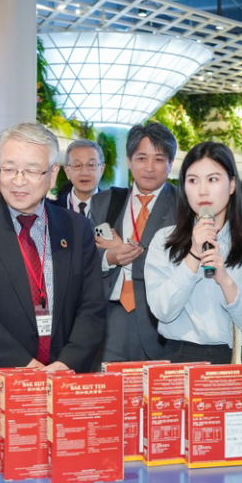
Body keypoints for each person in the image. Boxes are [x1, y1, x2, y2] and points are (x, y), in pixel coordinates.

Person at [0, 123, 106, 372]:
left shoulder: (77, 228)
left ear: (53, 174)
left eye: (31, 171)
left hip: (62, 373)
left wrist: (68, 362)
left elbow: (92, 306)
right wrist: (25, 366)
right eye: (8, 169)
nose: (18, 181)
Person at [144, 141, 242, 366]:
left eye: (213, 179)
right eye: (193, 180)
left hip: (237, 359)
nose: (202, 190)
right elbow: (163, 311)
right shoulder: (164, 241)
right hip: (181, 358)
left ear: (231, 185)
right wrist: (193, 255)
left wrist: (226, 282)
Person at [90, 122, 178, 363]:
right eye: (141, 158)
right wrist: (110, 257)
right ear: (129, 161)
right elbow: (86, 256)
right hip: (109, 319)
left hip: (159, 321)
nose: (149, 167)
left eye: (159, 159)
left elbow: (181, 264)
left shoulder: (183, 206)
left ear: (170, 163)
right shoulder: (105, 202)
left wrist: (128, 258)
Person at [61, 138, 103, 217]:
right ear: (67, 171)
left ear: (101, 170)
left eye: (91, 165)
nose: (84, 172)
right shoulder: (53, 210)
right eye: (77, 165)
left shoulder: (115, 210)